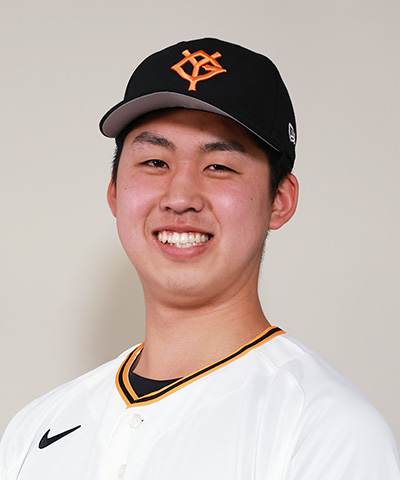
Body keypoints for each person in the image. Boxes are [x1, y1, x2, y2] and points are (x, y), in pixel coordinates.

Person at [1, 37, 399, 480]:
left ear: (280, 200)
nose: (180, 197)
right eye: (155, 162)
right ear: (114, 193)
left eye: (219, 166)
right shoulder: (34, 430)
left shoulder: (325, 430)